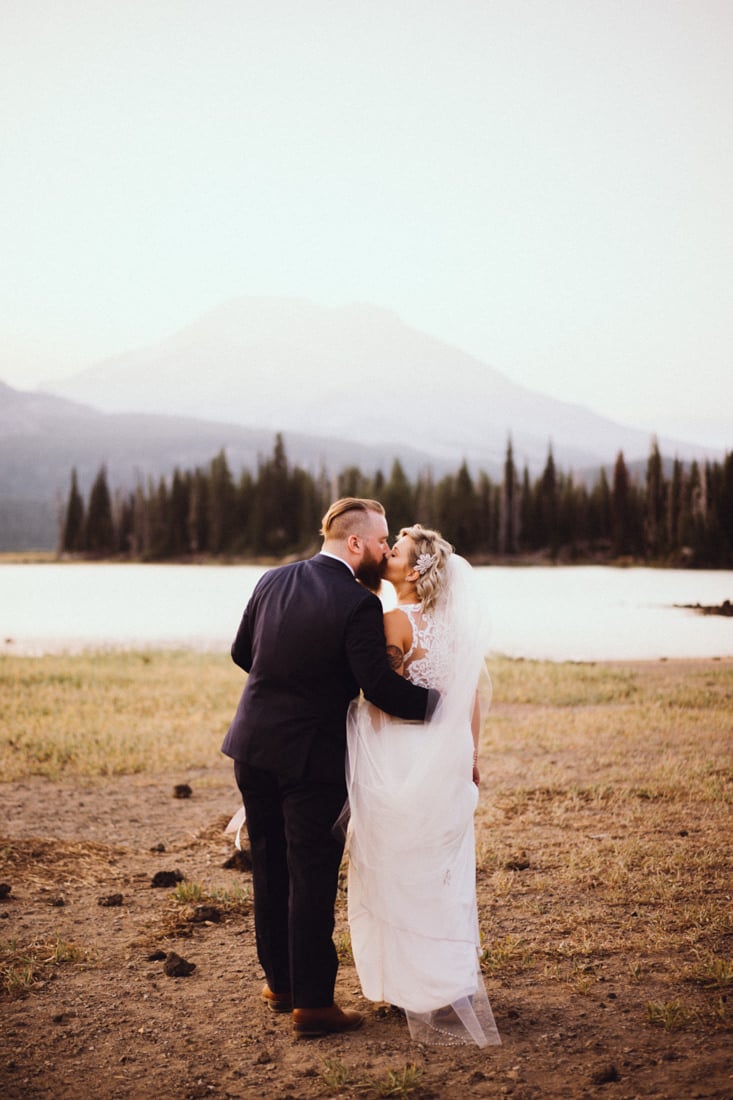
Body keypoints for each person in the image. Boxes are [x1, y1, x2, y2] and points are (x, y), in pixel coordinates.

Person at [221, 498, 437, 1039]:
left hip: (252, 746)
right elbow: (380, 687)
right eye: (383, 540)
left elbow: (243, 652)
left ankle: (282, 984)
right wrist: (441, 705)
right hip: (309, 758)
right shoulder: (356, 603)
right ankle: (314, 1005)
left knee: (270, 868)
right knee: (311, 873)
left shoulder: (273, 579)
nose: (387, 549)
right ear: (356, 543)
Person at [345, 524, 501, 1047]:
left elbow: (383, 698)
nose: (388, 551)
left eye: (398, 549)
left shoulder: (393, 620)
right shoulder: (454, 628)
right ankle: (447, 979)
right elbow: (469, 698)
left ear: (413, 572)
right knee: (440, 869)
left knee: (396, 866)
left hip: (403, 754)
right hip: (449, 752)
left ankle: (407, 983)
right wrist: (471, 755)